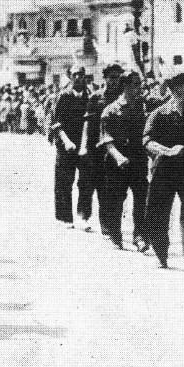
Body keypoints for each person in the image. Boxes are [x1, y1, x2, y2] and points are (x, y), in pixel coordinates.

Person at [141, 70, 184, 268]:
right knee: (158, 212)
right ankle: (160, 253)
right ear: (174, 89)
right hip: (163, 170)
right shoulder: (159, 113)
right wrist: (166, 151)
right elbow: (147, 141)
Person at [98, 71, 150, 250]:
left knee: (141, 197)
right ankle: (115, 233)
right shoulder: (110, 110)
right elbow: (107, 139)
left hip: (138, 158)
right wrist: (119, 157)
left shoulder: (143, 107)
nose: (139, 88)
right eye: (136, 85)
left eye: (140, 84)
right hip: (116, 160)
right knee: (116, 198)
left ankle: (140, 235)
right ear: (126, 86)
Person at [81, 63, 125, 234]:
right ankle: (89, 217)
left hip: (114, 147)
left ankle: (108, 223)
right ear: (105, 78)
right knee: (94, 183)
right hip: (96, 148)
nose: (115, 82)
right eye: (112, 78)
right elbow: (87, 123)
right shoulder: (96, 97)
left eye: (118, 78)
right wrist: (84, 147)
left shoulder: (122, 98)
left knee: (110, 187)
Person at [51, 66, 93, 229]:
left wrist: (84, 144)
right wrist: (66, 141)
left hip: (84, 144)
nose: (78, 78)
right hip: (65, 144)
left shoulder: (89, 97)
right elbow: (56, 122)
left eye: (81, 75)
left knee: (86, 181)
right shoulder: (64, 96)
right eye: (75, 75)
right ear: (71, 77)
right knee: (64, 181)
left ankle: (83, 216)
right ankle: (65, 217)